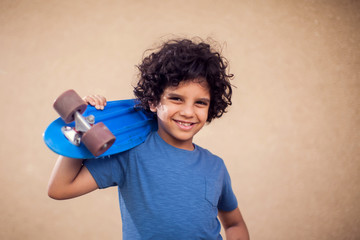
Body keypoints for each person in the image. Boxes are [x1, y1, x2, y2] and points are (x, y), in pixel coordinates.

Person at [48, 38, 250, 240]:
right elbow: (60, 189)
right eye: (176, 98)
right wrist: (82, 127)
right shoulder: (131, 154)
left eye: (200, 103)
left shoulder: (215, 166)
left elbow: (234, 223)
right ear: (153, 102)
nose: (188, 112)